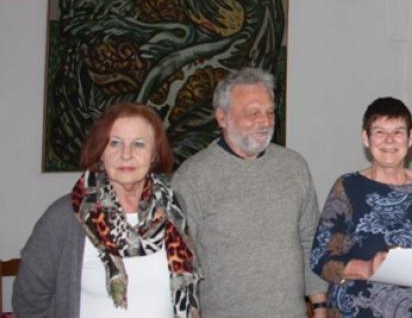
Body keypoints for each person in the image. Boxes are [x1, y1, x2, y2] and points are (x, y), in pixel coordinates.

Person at [14, 102, 199, 317]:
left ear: (154, 155)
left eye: (139, 144)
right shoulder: (65, 216)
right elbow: (27, 302)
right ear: (101, 152)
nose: (126, 154)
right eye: (114, 143)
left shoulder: (173, 207)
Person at [172, 68, 328, 317]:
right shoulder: (193, 177)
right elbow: (181, 262)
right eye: (253, 113)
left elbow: (309, 238)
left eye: (269, 112)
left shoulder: (294, 166)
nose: (265, 122)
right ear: (222, 117)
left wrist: (319, 306)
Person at [310, 97, 412, 317]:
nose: (389, 141)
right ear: (365, 138)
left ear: (411, 137)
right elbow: (320, 258)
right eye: (379, 132)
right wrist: (366, 269)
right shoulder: (347, 187)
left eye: (398, 132)